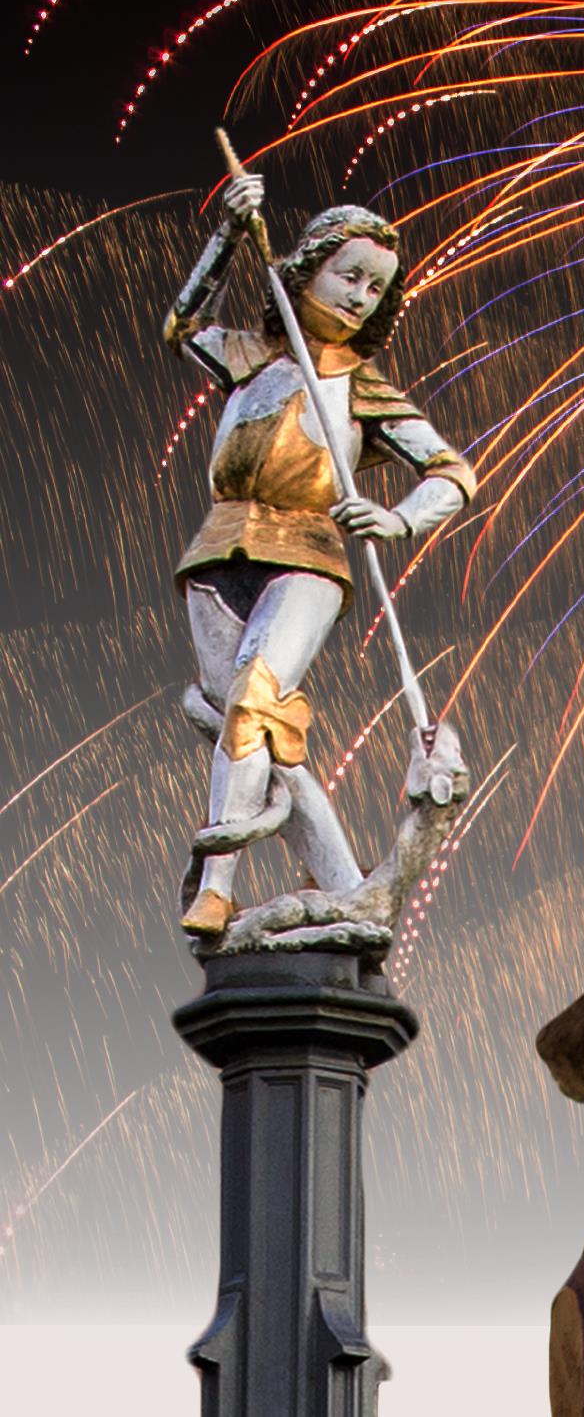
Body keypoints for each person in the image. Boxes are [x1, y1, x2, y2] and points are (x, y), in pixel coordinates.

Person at [162, 169, 476, 939]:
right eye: (349, 275)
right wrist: (228, 232)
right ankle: (341, 882)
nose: (361, 296)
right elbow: (181, 324)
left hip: (307, 552)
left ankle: (217, 883)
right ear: (306, 270)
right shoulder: (246, 355)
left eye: (376, 288)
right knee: (259, 734)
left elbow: (452, 472)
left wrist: (397, 520)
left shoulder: (361, 386)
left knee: (252, 702)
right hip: (216, 554)